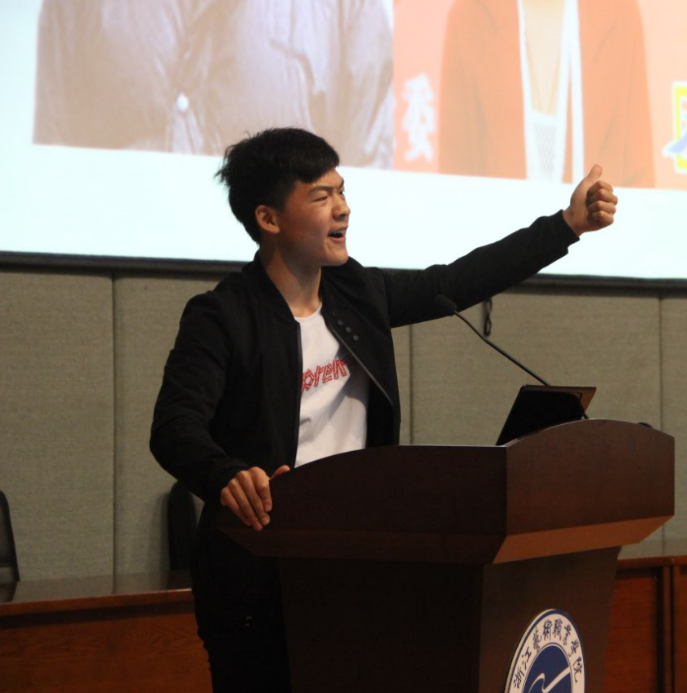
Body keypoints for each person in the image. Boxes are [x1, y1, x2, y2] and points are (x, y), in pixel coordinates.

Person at [150, 127, 617, 691]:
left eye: (342, 191)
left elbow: (457, 280)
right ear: (269, 218)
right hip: (262, 575)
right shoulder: (222, 316)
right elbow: (174, 427)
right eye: (321, 196)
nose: (343, 208)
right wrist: (224, 473)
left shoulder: (356, 296)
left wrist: (566, 226)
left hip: (361, 558)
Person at [34, 0, 393, 167]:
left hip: (277, 288)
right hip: (110, 267)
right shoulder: (78, 7)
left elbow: (366, 189)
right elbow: (50, 164)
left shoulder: (346, 11)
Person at [439, 0, 654, 187]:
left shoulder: (618, 14)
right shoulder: (470, 16)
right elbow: (454, 185)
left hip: (600, 223)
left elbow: (639, 180)